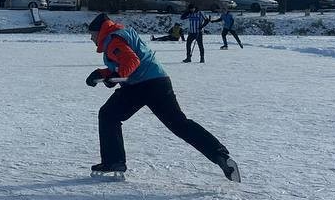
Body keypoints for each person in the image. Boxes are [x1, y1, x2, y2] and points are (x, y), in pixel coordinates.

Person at [86, 13, 240, 181]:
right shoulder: (121, 35)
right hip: (158, 82)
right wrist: (102, 74)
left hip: (142, 85)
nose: (91, 38)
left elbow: (131, 61)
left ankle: (114, 161)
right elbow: (126, 63)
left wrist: (116, 75)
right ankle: (220, 156)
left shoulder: (113, 41)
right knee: (179, 123)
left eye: (92, 34)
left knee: (108, 115)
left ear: (100, 31)